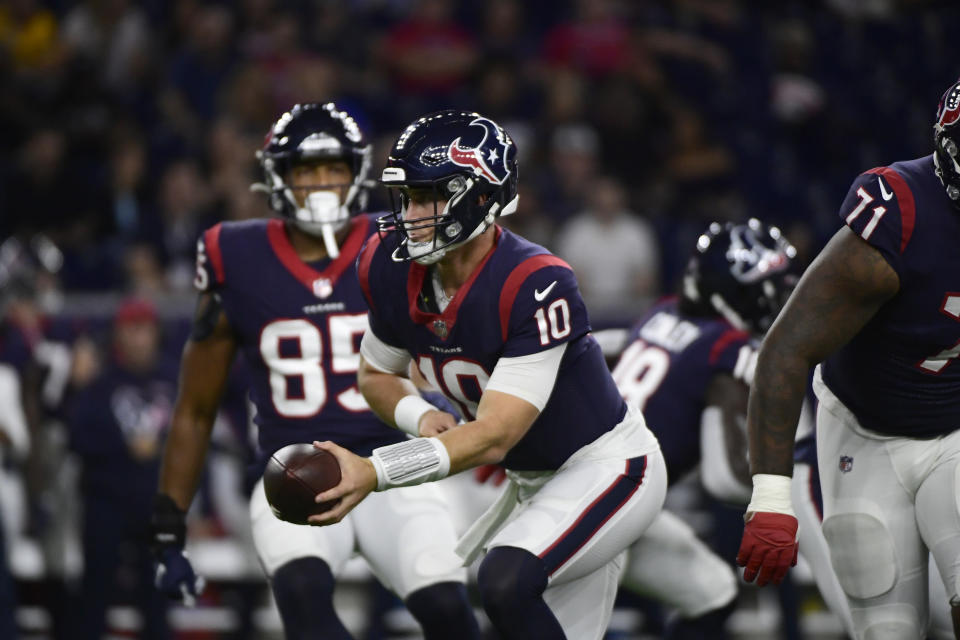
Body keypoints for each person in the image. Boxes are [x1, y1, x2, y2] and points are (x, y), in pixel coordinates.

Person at [309, 109, 668, 640]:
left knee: (504, 579)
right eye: (406, 196)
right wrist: (423, 415)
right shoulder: (386, 264)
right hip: (533, 483)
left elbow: (497, 434)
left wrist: (376, 470)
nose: (411, 213)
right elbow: (376, 374)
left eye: (429, 196)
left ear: (482, 196)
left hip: (606, 468)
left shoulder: (534, 281)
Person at [150, 103, 480, 640]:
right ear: (278, 178)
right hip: (294, 470)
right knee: (303, 598)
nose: (321, 183)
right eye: (306, 170)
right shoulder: (234, 252)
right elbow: (195, 407)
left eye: (333, 168)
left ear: (357, 173)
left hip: (394, 464)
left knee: (446, 605)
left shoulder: (401, 241)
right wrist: (168, 529)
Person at [737, 77, 960, 640]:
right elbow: (786, 350)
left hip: (956, 428)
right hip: (864, 433)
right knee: (885, 627)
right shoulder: (901, 217)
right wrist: (770, 496)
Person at [609, 219, 798, 638]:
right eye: (769, 288)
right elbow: (723, 478)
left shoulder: (661, 311)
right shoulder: (726, 348)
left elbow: (610, 347)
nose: (777, 299)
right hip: (605, 506)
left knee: (713, 592)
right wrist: (782, 492)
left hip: (612, 495)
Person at [68, 298, 175, 640]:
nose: (138, 338)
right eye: (130, 329)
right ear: (118, 335)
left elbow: (194, 442)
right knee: (94, 595)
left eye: (144, 329)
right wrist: (124, 446)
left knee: (157, 601)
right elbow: (77, 437)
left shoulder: (174, 381)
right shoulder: (100, 384)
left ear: (156, 333)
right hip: (106, 501)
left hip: (158, 504)